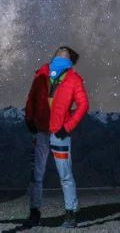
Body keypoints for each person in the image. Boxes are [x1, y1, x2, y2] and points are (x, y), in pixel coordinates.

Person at [23, 46, 89, 229]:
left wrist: (67, 127)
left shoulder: (73, 80)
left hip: (59, 134)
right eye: (60, 52)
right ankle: (34, 213)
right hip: (42, 133)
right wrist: (29, 118)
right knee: (37, 175)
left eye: (64, 54)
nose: (61, 54)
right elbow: (31, 98)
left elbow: (83, 105)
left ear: (69, 60)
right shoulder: (41, 74)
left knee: (65, 175)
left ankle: (70, 214)